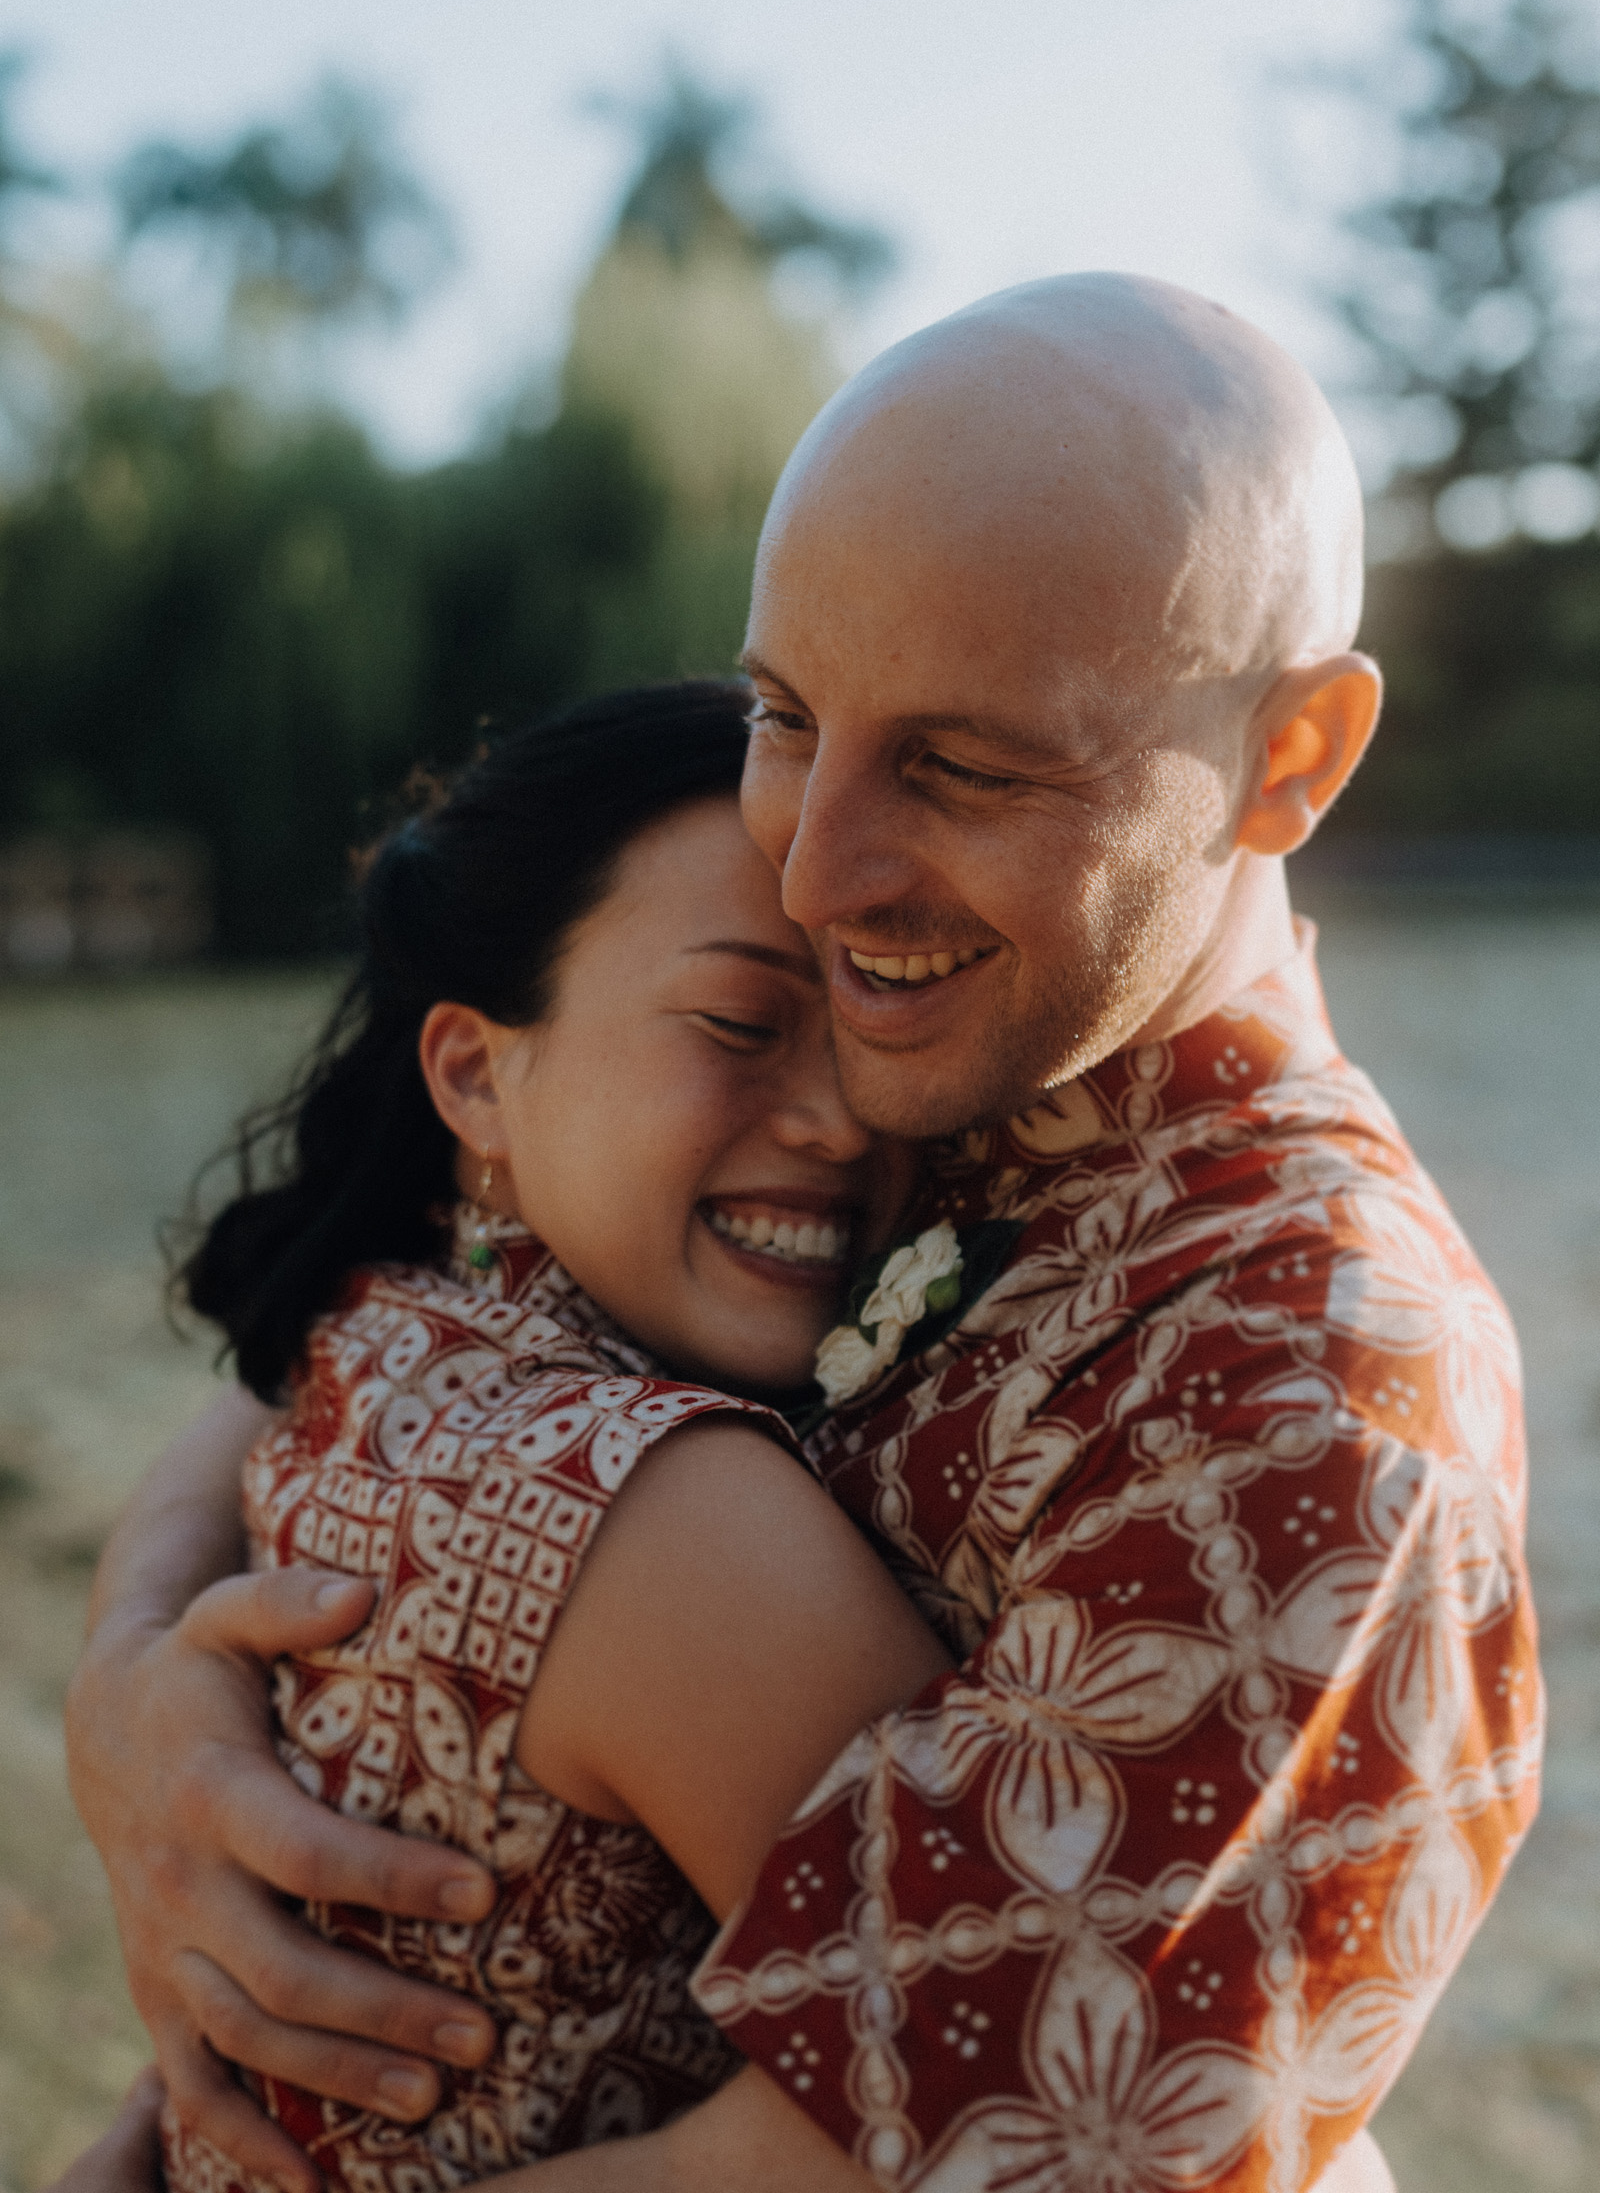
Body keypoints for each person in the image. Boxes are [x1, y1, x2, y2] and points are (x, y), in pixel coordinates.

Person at [64, 275, 1538, 2193]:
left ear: (1293, 759)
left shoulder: (1311, 1387)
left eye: (965, 762)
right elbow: (416, 1291)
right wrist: (140, 1678)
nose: (815, 868)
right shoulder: (935, 1043)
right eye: (785, 714)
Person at [83, 677, 948, 2193]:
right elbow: (1025, 2091)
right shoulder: (668, 1518)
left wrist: (129, 1644)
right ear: (476, 1072)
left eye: (877, 1024)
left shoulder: (370, 1334)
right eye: (742, 1021)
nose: (841, 1119)